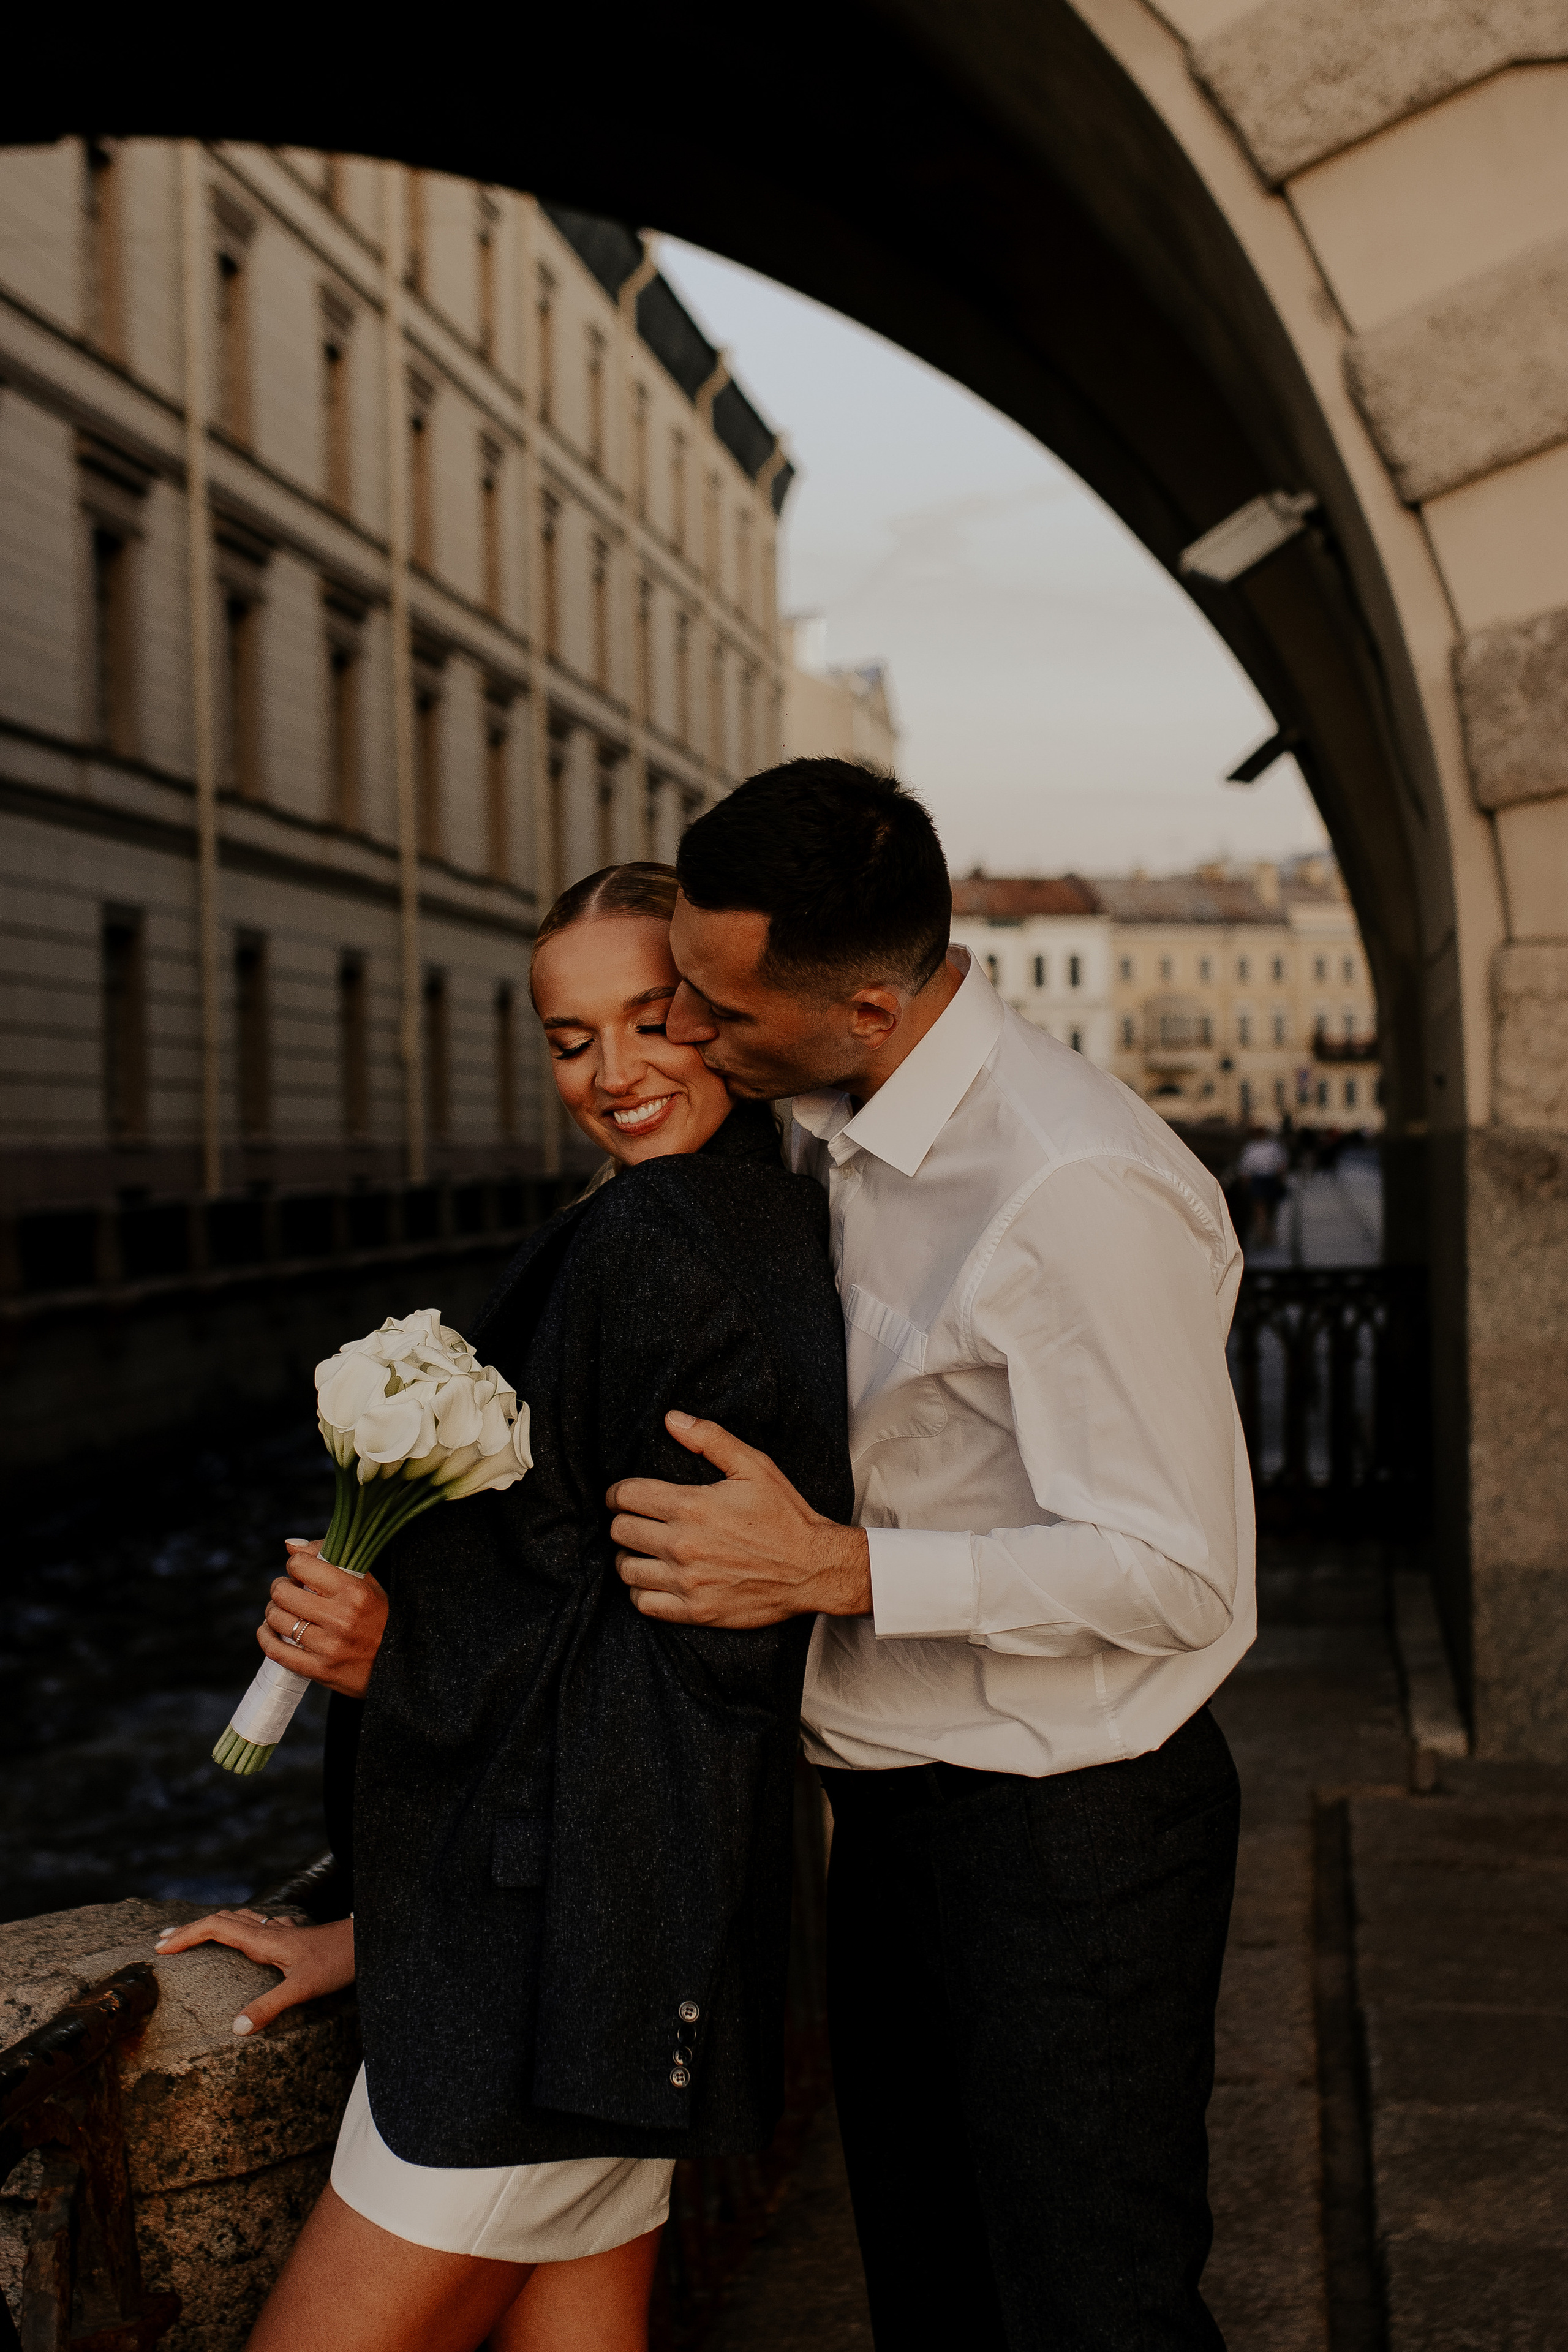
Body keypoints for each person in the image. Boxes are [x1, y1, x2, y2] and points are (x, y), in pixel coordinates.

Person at [156, 862, 853, 2352]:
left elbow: (698, 1658)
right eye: (568, 1039)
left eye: (654, 1020)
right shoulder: (740, 1218)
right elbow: (608, 1611)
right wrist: (376, 1924)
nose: (613, 1073)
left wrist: (397, 1655)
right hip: (599, 1942)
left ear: (723, 1014)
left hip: (541, 1981)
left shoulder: (664, 1243)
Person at [606, 761, 1254, 2351]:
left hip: (1069, 1836)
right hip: (898, 1817)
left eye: (718, 1008)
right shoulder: (825, 1115)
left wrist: (842, 1573)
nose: (682, 1027)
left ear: (870, 1008)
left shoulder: (1074, 1188)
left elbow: (1180, 1572)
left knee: (1091, 2317)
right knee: (936, 2302)